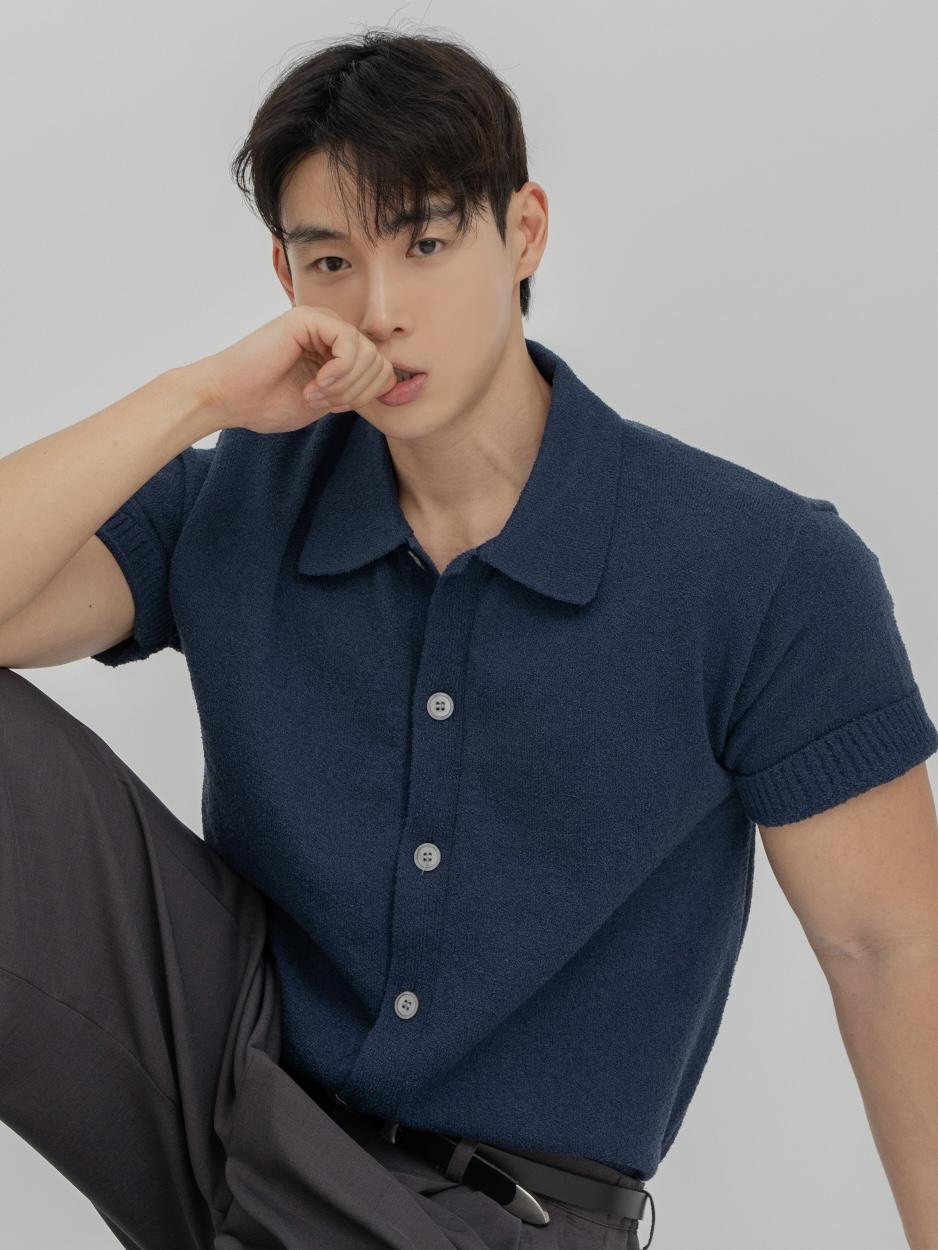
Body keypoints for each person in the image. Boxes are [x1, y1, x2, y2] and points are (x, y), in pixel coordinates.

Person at [1, 24, 937, 1250]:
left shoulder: (760, 571)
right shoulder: (237, 501)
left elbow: (886, 948)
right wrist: (199, 397)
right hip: (229, 1102)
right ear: (285, 279)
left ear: (523, 231)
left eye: (426, 242)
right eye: (331, 261)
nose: (381, 310)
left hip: (500, 1216)